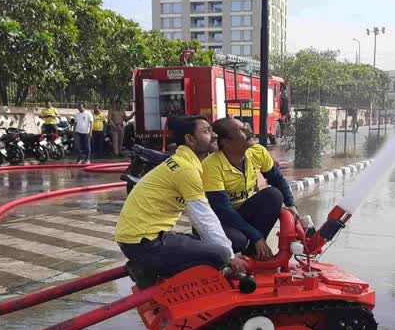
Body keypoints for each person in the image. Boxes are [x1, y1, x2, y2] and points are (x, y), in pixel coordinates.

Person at [115, 115, 247, 279]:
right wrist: (229, 257)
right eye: (207, 131)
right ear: (190, 139)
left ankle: (149, 266)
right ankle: (146, 268)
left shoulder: (183, 162)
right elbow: (203, 216)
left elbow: (200, 217)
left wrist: (227, 251)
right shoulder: (186, 169)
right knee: (220, 254)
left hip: (144, 239)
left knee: (227, 245)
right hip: (143, 243)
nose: (215, 135)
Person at [204, 117, 298, 260]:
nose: (248, 130)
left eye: (245, 126)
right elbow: (223, 210)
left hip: (242, 212)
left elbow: (277, 179)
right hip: (218, 219)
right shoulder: (211, 166)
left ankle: (254, 252)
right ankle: (226, 258)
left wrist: (291, 204)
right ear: (225, 142)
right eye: (240, 130)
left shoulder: (257, 152)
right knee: (237, 241)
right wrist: (257, 236)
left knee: (273, 195)